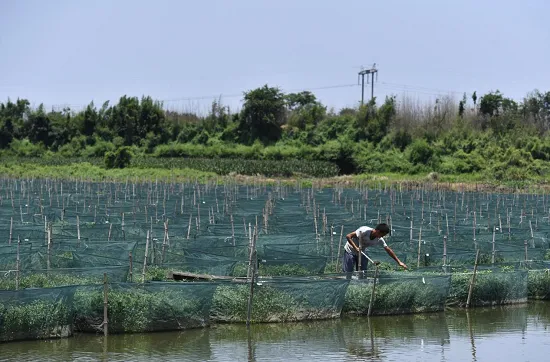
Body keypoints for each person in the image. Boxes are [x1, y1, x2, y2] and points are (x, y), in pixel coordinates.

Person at [342, 223, 407, 273]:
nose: (382, 237)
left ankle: (361, 286)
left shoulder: (379, 239)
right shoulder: (364, 231)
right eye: (382, 235)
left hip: (362, 252)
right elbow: (348, 236)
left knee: (363, 272)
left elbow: (388, 249)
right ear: (378, 231)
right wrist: (355, 247)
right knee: (348, 272)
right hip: (350, 250)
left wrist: (399, 262)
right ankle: (345, 284)